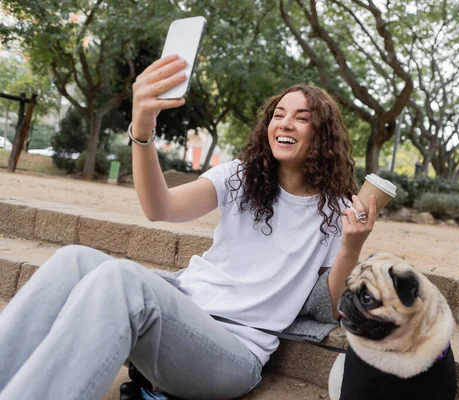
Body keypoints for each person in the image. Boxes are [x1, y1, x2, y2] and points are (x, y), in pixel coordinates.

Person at [0, 55, 376, 400]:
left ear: (322, 134)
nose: (285, 123)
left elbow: (328, 309)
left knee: (122, 278)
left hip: (232, 353)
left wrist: (351, 246)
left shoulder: (337, 210)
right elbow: (159, 207)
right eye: (279, 114)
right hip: (181, 313)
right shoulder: (238, 177)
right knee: (73, 260)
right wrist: (142, 131)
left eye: (302, 117)